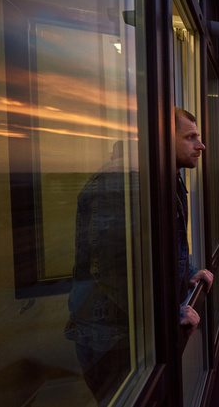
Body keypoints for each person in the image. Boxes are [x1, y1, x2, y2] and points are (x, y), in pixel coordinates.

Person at [64, 141, 134, 405]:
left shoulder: (126, 181)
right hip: (109, 327)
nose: (200, 146)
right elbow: (108, 267)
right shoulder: (116, 183)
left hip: (108, 324)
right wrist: (159, 314)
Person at [175, 107, 213, 336]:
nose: (201, 146)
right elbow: (117, 270)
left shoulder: (172, 180)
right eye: (190, 137)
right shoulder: (130, 187)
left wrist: (187, 272)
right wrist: (171, 313)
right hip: (118, 340)